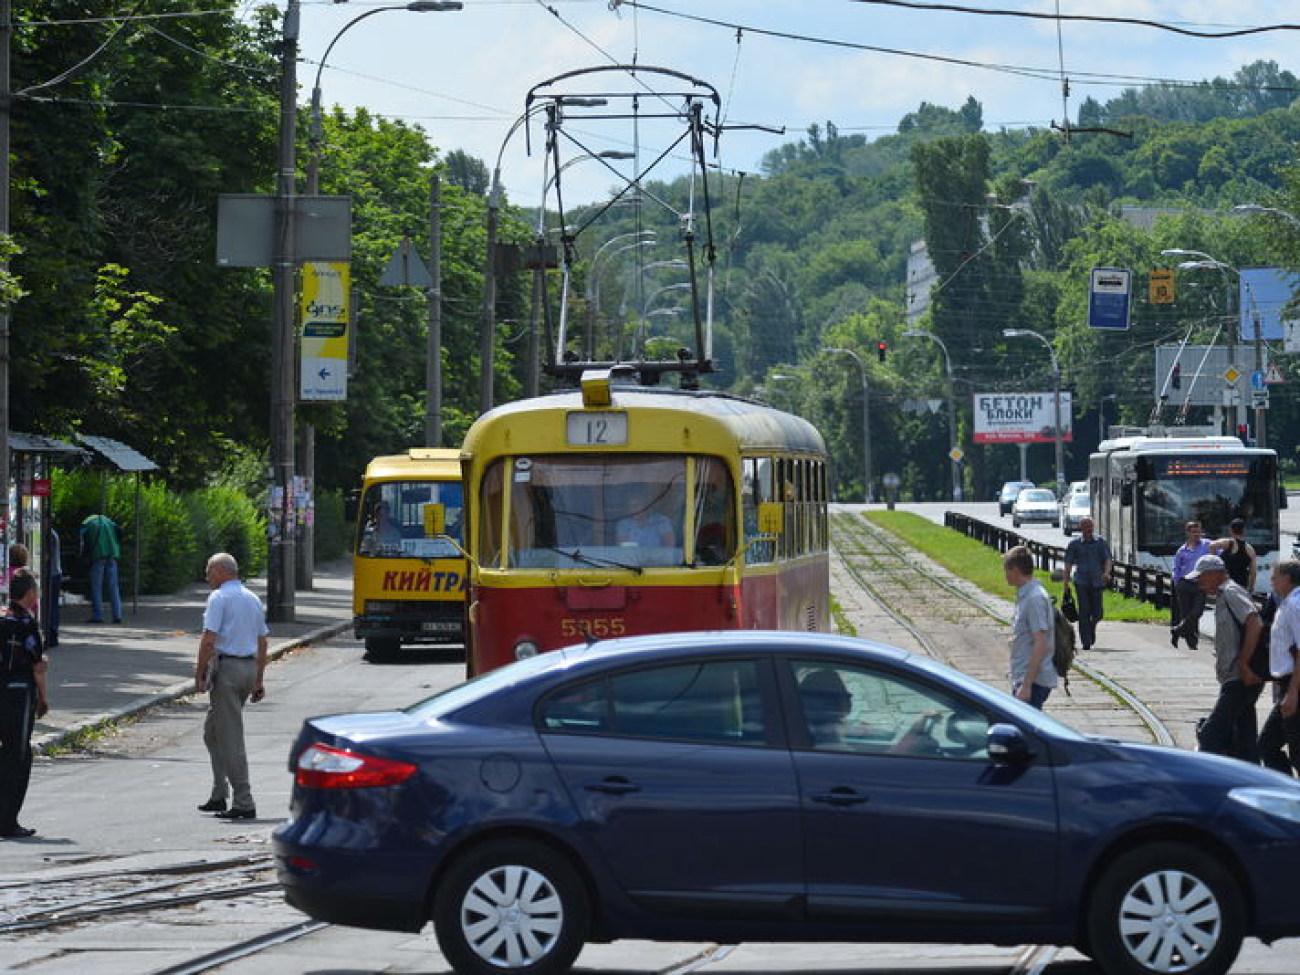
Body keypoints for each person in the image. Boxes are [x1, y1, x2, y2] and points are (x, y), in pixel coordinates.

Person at [194, 553, 268, 820]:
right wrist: (258, 678)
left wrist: (200, 672)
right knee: (212, 734)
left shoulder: (219, 598)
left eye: (209, 572)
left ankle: (244, 801)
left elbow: (208, 639)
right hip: (247, 668)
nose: (207, 577)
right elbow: (262, 642)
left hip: (227, 670)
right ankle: (218, 794)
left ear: (222, 571)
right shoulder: (252, 598)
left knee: (230, 738)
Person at [1190, 554, 1264, 762]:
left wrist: (1243, 662)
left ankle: (1210, 785)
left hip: (1240, 677)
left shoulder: (1230, 592)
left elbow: (1254, 623)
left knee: (1210, 735)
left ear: (1215, 574)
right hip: (1235, 677)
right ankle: (1254, 781)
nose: (1200, 584)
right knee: (1245, 741)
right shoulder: (1224, 594)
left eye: (1202, 578)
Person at [0, 570, 50, 839]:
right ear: (30, 594)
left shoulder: (2, 618)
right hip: (19, 695)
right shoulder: (25, 622)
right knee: (17, 756)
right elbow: (37, 666)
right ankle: (8, 821)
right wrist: (44, 697)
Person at [1003, 545, 1058, 709]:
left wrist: (1026, 685)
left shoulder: (1034, 598)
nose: (1005, 574)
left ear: (1015, 570)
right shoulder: (1026, 595)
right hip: (1025, 678)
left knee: (1026, 732)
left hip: (1033, 682)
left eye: (1006, 569)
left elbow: (1041, 644)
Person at [1259, 559, 1300, 776]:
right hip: (1288, 684)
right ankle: (1289, 795)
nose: (1271, 581)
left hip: (1295, 684)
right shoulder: (1287, 603)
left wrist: (1292, 693)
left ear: (1287, 578)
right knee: (1268, 744)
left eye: (1275, 576)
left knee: (1295, 751)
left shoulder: (1294, 605)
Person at [1063, 516, 1113, 652]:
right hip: (1081, 582)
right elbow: (1067, 565)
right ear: (1081, 528)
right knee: (1084, 612)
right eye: (1085, 527)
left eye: (1090, 526)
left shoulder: (1101, 543)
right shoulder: (1074, 545)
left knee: (1098, 612)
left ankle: (1092, 627)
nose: (1088, 529)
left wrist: (1107, 573)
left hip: (1097, 581)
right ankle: (1086, 641)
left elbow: (1107, 559)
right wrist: (1065, 584)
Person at [1170, 521, 1209, 649]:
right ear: (1188, 533)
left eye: (1198, 531)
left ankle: (1177, 631)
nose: (1197, 534)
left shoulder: (1207, 545)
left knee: (1197, 612)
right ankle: (1192, 643)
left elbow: (1219, 554)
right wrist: (1177, 583)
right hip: (1185, 584)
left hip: (1201, 584)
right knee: (1187, 614)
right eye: (1193, 532)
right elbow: (1176, 569)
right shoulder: (1182, 550)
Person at [80, 512, 123, 624]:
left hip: (98, 556)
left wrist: (85, 556)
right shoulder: (108, 521)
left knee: (96, 587)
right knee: (114, 586)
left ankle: (98, 615)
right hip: (112, 555)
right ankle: (117, 615)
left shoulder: (87, 524)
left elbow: (84, 543)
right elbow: (120, 531)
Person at [1211, 518, 1257, 592]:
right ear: (1243, 531)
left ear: (1230, 530)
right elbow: (1253, 572)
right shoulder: (1250, 549)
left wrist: (1214, 564)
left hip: (1226, 585)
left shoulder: (1228, 543)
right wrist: (1251, 588)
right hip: (1242, 586)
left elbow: (1212, 545)